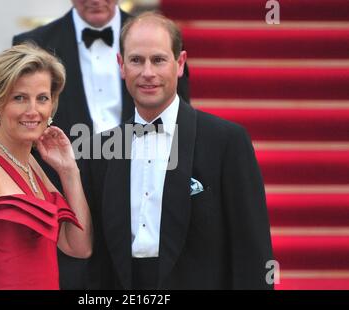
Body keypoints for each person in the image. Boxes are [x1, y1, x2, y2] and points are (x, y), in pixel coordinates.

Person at [81, 12, 274, 289]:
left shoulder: (227, 142)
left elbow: (252, 252)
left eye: (158, 60)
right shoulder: (99, 150)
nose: (148, 73)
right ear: (121, 66)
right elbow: (94, 258)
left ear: (179, 63)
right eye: (136, 60)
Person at [13, 0, 188, 290]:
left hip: (142, 190)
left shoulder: (154, 39)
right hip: (64, 200)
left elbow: (179, 126)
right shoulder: (34, 44)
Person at [0, 43, 92, 290]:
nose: (33, 111)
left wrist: (69, 171)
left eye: (42, 98)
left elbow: (79, 246)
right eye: (20, 98)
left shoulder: (32, 164)